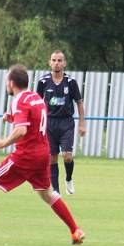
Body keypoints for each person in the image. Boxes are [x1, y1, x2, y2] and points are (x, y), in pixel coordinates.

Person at [0, 64, 84, 245]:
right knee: (48, 193)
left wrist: (3, 143)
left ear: (11, 83)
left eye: (7, 80)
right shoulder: (36, 98)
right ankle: (75, 230)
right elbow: (33, 121)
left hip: (25, 156)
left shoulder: (19, 101)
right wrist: (14, 118)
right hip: (42, 154)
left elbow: (22, 130)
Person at [35, 51, 86, 195]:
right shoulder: (43, 82)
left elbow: (79, 103)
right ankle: (56, 190)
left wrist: (82, 123)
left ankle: (69, 179)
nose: (56, 62)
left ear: (64, 63)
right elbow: (36, 103)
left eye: (59, 60)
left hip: (66, 123)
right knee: (52, 157)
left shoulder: (71, 82)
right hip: (49, 123)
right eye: (54, 60)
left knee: (67, 156)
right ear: (49, 62)